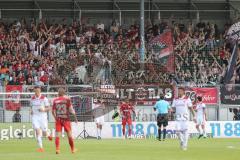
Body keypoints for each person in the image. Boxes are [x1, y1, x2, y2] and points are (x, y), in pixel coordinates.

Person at [52, 88, 78, 154]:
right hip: (66, 119)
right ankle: (72, 149)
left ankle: (57, 149)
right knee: (69, 135)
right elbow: (71, 110)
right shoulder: (67, 100)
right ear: (64, 93)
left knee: (57, 135)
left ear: (58, 93)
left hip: (58, 119)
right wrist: (75, 119)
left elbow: (52, 111)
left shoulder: (55, 100)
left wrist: (55, 118)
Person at [30, 86, 52, 152]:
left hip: (42, 117)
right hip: (35, 116)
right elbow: (31, 107)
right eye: (35, 91)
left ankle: (48, 135)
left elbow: (49, 108)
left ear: (40, 91)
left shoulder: (44, 98)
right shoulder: (32, 98)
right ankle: (41, 147)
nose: (36, 92)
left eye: (38, 91)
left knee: (44, 132)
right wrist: (30, 110)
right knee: (37, 130)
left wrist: (44, 109)